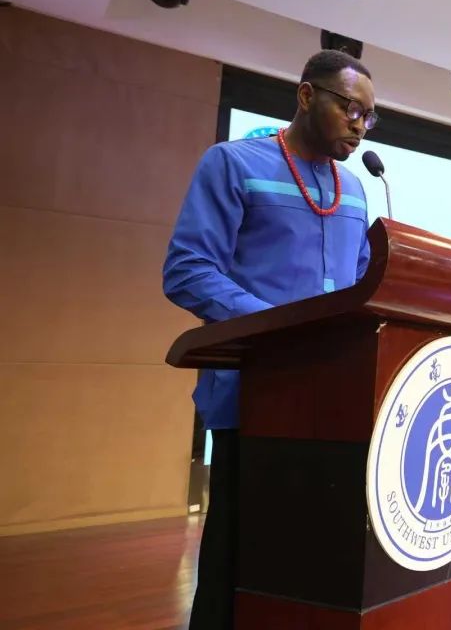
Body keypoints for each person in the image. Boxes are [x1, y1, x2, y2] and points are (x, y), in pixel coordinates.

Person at [163, 49, 377, 629]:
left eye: (369, 116)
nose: (360, 124)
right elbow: (187, 269)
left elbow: (361, 287)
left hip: (334, 405)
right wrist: (280, 328)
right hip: (253, 397)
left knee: (307, 570)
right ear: (306, 96)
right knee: (238, 566)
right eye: (350, 108)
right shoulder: (233, 163)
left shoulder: (356, 189)